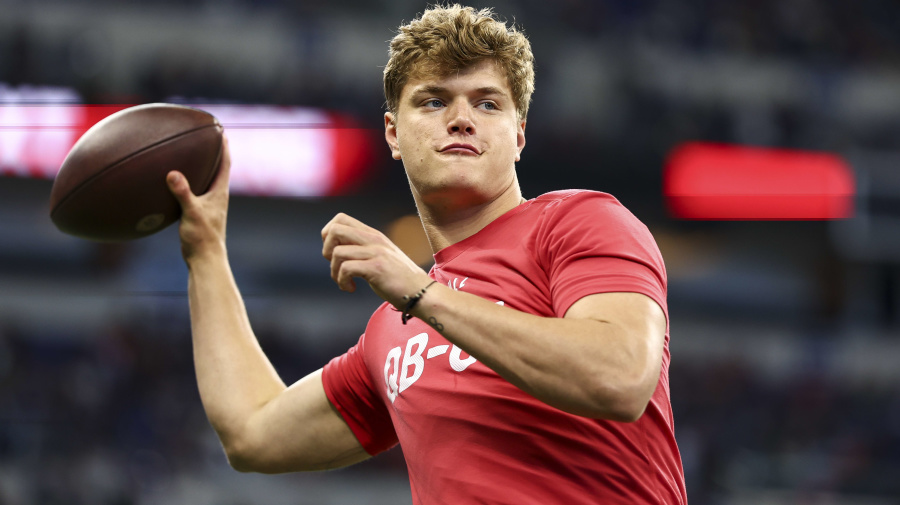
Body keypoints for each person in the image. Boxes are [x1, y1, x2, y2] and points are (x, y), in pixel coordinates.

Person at [165, 4, 687, 504]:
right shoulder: (391, 332)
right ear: (394, 133)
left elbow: (618, 377)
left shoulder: (579, 221)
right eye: (434, 101)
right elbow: (252, 434)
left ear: (519, 134)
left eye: (487, 103)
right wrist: (206, 253)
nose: (462, 119)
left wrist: (421, 292)